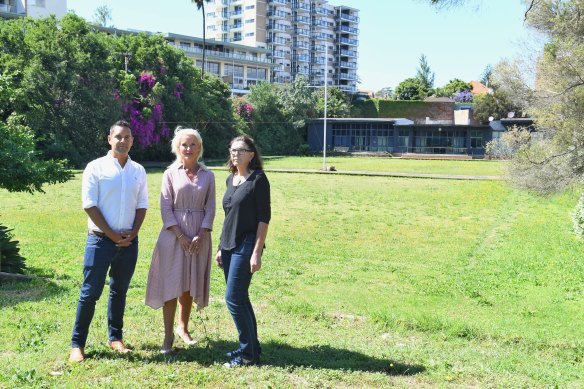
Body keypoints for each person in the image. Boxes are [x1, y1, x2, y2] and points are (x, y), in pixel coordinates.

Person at [70, 120, 148, 363]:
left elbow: (142, 205)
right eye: (118, 137)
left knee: (119, 291)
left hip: (128, 242)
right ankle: (77, 344)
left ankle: (115, 338)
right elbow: (89, 205)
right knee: (90, 292)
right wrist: (113, 235)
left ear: (132, 140)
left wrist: (133, 233)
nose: (122, 141)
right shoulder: (95, 168)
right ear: (109, 139)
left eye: (127, 137)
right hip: (100, 241)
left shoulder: (138, 170)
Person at [145, 127, 215, 354]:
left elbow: (211, 207)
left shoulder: (208, 175)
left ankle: (183, 328)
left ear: (200, 148)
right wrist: (180, 235)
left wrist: (201, 233)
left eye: (193, 144)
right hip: (173, 236)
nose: (188, 148)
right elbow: (165, 207)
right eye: (184, 144)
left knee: (188, 284)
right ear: (177, 147)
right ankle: (167, 337)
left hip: (199, 237)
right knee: (171, 285)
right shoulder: (170, 174)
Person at [216, 135, 271, 367]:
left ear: (251, 154)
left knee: (233, 299)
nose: (235, 153)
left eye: (240, 150)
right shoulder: (231, 179)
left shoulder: (258, 179)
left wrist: (256, 251)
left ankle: (248, 355)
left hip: (247, 244)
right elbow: (229, 216)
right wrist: (220, 247)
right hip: (228, 244)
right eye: (232, 149)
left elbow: (263, 218)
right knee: (241, 298)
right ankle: (252, 347)